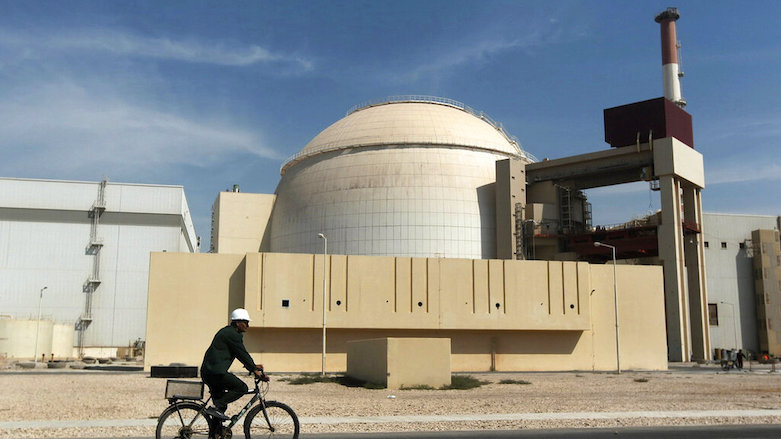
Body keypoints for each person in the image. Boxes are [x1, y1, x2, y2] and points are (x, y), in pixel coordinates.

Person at [200, 308, 265, 421]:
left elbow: (240, 354)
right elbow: (242, 353)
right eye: (246, 323)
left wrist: (254, 366)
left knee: (220, 409)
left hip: (210, 372)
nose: (247, 326)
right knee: (241, 388)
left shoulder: (228, 332)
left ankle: (216, 434)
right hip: (215, 373)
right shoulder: (232, 335)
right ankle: (216, 407)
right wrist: (255, 370)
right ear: (238, 322)